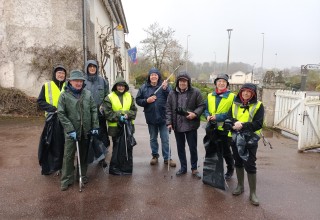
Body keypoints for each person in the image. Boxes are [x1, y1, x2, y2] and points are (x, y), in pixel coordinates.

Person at [57, 70, 99, 191]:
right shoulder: (64, 95)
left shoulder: (87, 94)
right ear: (70, 82)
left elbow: (93, 110)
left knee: (83, 155)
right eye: (76, 81)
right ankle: (66, 179)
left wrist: (95, 125)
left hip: (85, 130)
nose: (78, 83)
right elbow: (61, 113)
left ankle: (82, 175)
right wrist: (70, 129)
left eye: (80, 81)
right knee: (68, 155)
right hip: (71, 132)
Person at [226, 83, 264, 206]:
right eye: (244, 91)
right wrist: (234, 122)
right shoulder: (234, 103)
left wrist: (242, 125)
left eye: (249, 92)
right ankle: (240, 186)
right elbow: (228, 118)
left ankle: (253, 193)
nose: (246, 93)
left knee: (250, 164)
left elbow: (258, 124)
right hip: (235, 138)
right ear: (240, 92)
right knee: (238, 161)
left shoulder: (258, 105)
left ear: (253, 94)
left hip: (250, 139)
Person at [166, 72, 205, 179]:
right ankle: (183, 168)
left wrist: (195, 114)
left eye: (185, 81)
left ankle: (194, 168)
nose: (182, 83)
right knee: (180, 148)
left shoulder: (195, 92)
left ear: (188, 82)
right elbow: (168, 108)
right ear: (178, 82)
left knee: (193, 148)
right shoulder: (172, 93)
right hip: (177, 126)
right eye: (180, 81)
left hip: (191, 125)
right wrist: (169, 122)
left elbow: (201, 106)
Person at [136, 67, 176, 167]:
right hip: (151, 118)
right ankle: (155, 156)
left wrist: (166, 89)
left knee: (165, 139)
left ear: (158, 76)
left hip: (163, 118)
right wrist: (146, 101)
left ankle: (167, 158)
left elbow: (171, 97)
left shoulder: (164, 86)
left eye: (155, 75)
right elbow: (138, 100)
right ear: (149, 77)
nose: (154, 76)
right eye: (152, 75)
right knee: (153, 138)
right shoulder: (144, 87)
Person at [102, 77, 137, 175]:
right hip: (115, 128)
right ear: (115, 86)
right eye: (119, 85)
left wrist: (127, 114)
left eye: (122, 86)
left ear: (125, 87)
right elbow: (107, 113)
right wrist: (119, 116)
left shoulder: (129, 96)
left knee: (127, 147)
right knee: (117, 148)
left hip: (128, 127)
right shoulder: (109, 97)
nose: (121, 87)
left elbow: (134, 110)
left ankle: (126, 168)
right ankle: (116, 168)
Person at [203, 73, 235, 180]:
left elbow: (231, 113)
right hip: (212, 128)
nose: (221, 83)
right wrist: (207, 116)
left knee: (226, 151)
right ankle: (216, 170)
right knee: (214, 150)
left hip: (225, 129)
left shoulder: (232, 97)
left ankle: (230, 170)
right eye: (219, 81)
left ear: (227, 84)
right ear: (215, 83)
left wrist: (217, 117)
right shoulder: (210, 95)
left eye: (224, 82)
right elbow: (206, 109)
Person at [37, 64, 67, 175]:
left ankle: (64, 166)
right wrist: (53, 109)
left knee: (65, 143)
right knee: (53, 144)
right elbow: (40, 101)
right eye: (59, 73)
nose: (61, 75)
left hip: (66, 119)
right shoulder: (47, 86)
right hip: (52, 120)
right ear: (55, 74)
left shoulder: (68, 86)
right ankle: (53, 166)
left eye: (63, 73)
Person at [84, 60, 109, 168]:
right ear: (87, 68)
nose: (92, 68)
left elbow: (107, 96)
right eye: (90, 67)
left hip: (100, 113)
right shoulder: (83, 81)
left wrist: (103, 106)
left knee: (102, 135)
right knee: (88, 135)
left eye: (94, 67)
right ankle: (88, 156)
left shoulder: (102, 81)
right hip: (87, 113)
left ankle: (102, 157)